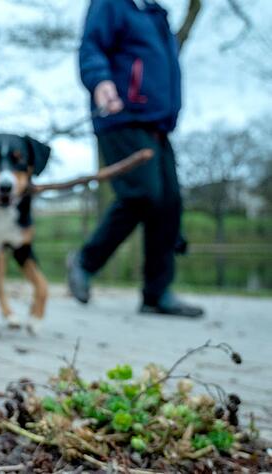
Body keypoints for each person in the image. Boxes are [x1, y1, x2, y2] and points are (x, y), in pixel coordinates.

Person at [67, 0, 204, 317]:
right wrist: (100, 81)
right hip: (121, 114)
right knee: (141, 194)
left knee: (169, 202)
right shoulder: (112, 4)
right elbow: (92, 45)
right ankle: (86, 261)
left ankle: (157, 294)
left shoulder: (156, 13)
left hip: (156, 122)